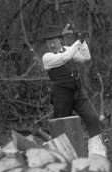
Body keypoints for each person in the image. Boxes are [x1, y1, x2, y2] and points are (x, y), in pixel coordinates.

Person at [41, 25, 107, 157]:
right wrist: (77, 41)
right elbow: (65, 57)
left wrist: (82, 42)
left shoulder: (67, 49)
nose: (52, 44)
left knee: (93, 119)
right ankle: (63, 158)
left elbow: (86, 57)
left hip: (77, 91)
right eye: (49, 42)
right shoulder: (47, 57)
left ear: (61, 40)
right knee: (61, 127)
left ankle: (97, 154)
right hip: (61, 96)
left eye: (54, 41)